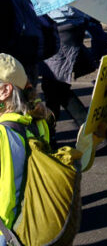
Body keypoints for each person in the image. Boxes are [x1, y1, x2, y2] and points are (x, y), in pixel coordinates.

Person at [0, 53, 51, 237]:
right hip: (25, 223)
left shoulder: (3, 133)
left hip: (5, 229)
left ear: (4, 91)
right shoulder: (35, 121)